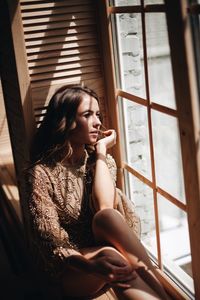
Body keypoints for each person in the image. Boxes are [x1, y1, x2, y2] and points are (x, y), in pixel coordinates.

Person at [26, 85, 170, 299]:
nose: (98, 122)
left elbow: (105, 208)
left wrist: (101, 151)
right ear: (67, 121)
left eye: (98, 115)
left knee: (108, 223)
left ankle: (161, 294)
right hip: (72, 269)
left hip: (106, 252)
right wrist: (91, 267)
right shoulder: (41, 174)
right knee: (111, 256)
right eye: (87, 115)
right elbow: (51, 246)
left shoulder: (100, 163)